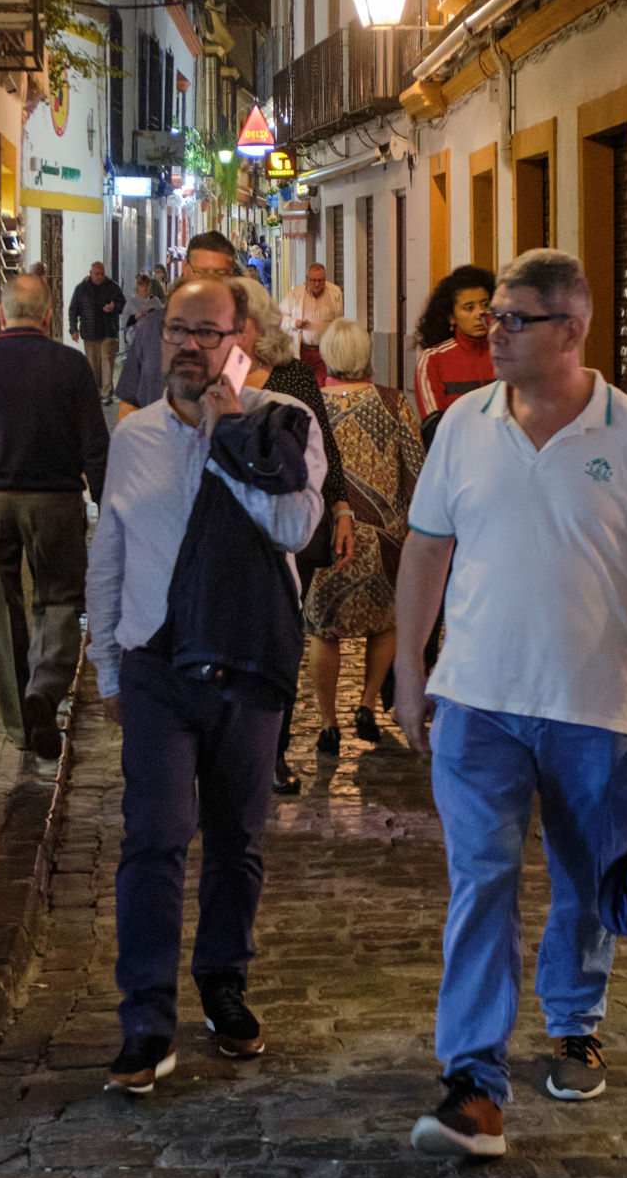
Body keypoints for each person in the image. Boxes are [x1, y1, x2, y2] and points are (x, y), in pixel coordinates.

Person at [395, 249, 627, 1159]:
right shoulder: (462, 424)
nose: (493, 331)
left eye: (516, 319)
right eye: (492, 316)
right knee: (480, 883)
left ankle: (575, 1018)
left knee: (581, 878)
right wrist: (414, 672)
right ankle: (474, 1084)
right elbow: (424, 550)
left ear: (572, 329)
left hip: (593, 704)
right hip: (477, 704)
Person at [87, 274, 327, 1093]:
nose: (186, 346)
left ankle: (224, 984)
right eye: (175, 332)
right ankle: (145, 1021)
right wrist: (107, 666)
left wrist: (230, 440)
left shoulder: (281, 425)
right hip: (156, 664)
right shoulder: (135, 437)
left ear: (241, 340)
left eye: (205, 332)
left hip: (246, 662)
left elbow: (296, 527)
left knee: (236, 838)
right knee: (153, 835)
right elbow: (109, 554)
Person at [0, 274, 109, 762]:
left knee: (2, 609)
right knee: (59, 600)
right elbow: (95, 448)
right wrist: (103, 500)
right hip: (55, 502)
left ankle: (19, 724)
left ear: (1, 314)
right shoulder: (72, 367)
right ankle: (45, 688)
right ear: (49, 315)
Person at [232, 278, 356, 793]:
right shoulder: (218, 375)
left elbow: (324, 442)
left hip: (291, 523)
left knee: (283, 632)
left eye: (232, 321)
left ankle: (274, 751)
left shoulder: (294, 377)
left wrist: (343, 507)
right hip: (233, 524)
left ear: (256, 326)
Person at [304, 318, 424, 756]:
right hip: (385, 535)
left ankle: (328, 723)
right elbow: (416, 469)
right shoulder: (394, 404)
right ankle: (368, 704)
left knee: (324, 627)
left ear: (328, 355)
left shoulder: (311, 405)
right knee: (385, 621)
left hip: (330, 533)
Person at [115, 231, 236, 418]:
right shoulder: (151, 327)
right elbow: (129, 403)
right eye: (202, 272)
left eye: (220, 274)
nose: (210, 282)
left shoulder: (240, 332)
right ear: (186, 269)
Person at [414, 263, 497, 448]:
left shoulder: (507, 353)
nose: (480, 313)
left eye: (485, 305)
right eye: (469, 308)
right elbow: (433, 425)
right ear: (451, 317)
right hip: (457, 459)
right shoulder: (433, 359)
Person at [68, 260, 128, 404]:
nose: (100, 277)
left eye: (102, 274)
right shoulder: (81, 289)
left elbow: (123, 304)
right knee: (93, 365)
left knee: (106, 361)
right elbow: (73, 310)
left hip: (108, 332)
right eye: (97, 274)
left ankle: (107, 392)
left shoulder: (112, 287)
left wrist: (114, 307)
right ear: (91, 273)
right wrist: (73, 329)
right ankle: (95, 392)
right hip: (90, 332)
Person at [280, 262, 343, 384]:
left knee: (322, 385)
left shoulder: (335, 293)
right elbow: (279, 319)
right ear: (307, 280)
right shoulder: (294, 295)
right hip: (302, 351)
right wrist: (294, 323)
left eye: (321, 280)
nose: (317, 284)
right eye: (313, 280)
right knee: (302, 384)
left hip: (323, 351)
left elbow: (338, 319)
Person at [121, 274, 157, 344]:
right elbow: (124, 323)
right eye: (142, 286)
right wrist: (136, 317)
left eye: (147, 286)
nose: (145, 288)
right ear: (138, 287)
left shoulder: (155, 301)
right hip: (135, 337)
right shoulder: (131, 302)